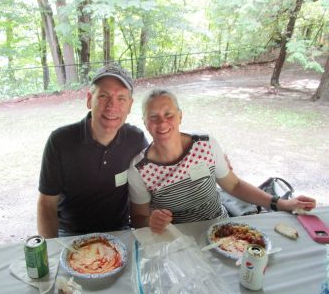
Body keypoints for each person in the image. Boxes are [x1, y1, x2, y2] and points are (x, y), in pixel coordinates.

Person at [128, 88, 317, 234]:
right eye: (153, 117)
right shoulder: (140, 168)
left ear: (180, 116)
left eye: (168, 114)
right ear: (145, 123)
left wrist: (281, 203)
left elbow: (234, 186)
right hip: (175, 240)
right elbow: (138, 218)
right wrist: (150, 221)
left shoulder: (205, 145)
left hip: (220, 230)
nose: (162, 123)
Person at [37, 63, 148, 238]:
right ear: (89, 99)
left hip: (118, 231)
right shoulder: (60, 141)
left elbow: (148, 192)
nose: (112, 105)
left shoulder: (136, 140)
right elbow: (46, 204)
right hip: (70, 234)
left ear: (130, 105)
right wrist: (51, 250)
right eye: (103, 96)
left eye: (121, 98)